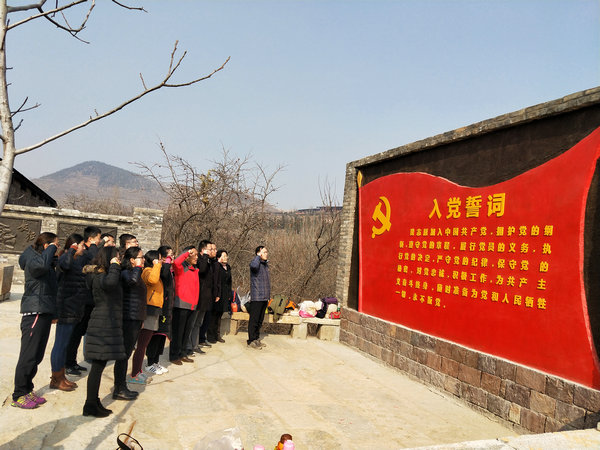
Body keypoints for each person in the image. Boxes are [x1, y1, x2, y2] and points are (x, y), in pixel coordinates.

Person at [11, 232, 59, 409]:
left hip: (44, 310)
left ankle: (27, 389)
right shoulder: (33, 260)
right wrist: (51, 249)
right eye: (55, 245)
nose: (57, 248)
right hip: (34, 312)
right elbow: (40, 268)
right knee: (28, 356)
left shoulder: (43, 260)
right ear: (46, 246)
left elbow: (52, 286)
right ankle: (18, 395)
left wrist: (53, 313)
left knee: (37, 355)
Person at [83, 246, 127, 417]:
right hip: (102, 323)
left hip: (106, 321)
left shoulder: (102, 274)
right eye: (116, 257)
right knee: (98, 365)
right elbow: (110, 284)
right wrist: (115, 266)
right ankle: (90, 404)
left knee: (99, 365)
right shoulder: (101, 276)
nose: (118, 260)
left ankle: (93, 401)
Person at [50, 233, 87, 392]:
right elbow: (64, 265)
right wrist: (71, 249)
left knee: (65, 345)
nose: (84, 248)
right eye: (82, 245)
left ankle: (61, 376)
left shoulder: (75, 260)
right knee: (60, 344)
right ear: (75, 245)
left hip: (74, 308)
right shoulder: (65, 257)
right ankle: (56, 378)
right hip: (66, 308)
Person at [65, 225, 101, 375]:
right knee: (73, 334)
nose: (100, 242)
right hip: (79, 301)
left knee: (78, 334)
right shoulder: (82, 254)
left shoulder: (87, 252)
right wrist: (93, 246)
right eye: (98, 238)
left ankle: (72, 362)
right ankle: (68, 364)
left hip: (87, 300)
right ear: (90, 239)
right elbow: (94, 259)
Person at [130, 250, 163, 379]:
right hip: (149, 309)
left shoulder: (154, 270)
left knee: (143, 345)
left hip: (154, 310)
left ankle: (137, 371)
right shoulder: (147, 271)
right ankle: (135, 373)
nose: (161, 261)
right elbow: (153, 280)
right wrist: (157, 265)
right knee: (142, 345)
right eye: (159, 259)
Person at [119, 246, 148, 386]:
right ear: (132, 260)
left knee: (128, 351)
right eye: (140, 257)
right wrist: (137, 267)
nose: (143, 260)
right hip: (129, 316)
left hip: (136, 316)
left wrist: (141, 318)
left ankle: (122, 383)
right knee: (124, 353)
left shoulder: (136, 273)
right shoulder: (126, 273)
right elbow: (133, 282)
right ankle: (120, 384)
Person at [145, 245, 174, 375]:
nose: (171, 258)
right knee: (155, 336)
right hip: (156, 308)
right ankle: (150, 363)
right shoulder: (155, 270)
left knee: (161, 335)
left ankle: (155, 362)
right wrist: (165, 263)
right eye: (168, 256)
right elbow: (161, 276)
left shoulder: (167, 268)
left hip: (166, 307)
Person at [169, 246, 199, 365]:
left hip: (192, 305)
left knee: (186, 332)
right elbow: (176, 262)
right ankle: (174, 355)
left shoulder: (194, 269)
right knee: (178, 332)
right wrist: (186, 253)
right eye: (194, 255)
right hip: (181, 305)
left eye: (197, 255)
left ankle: (182, 353)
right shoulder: (181, 268)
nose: (196, 257)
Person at [190, 240, 214, 353]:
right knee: (193, 323)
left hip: (205, 298)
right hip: (198, 297)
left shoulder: (208, 261)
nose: (211, 251)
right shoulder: (199, 260)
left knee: (198, 323)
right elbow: (202, 270)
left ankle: (195, 345)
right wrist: (204, 256)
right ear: (203, 250)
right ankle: (189, 345)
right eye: (210, 249)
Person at [248, 245, 270, 349]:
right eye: (264, 252)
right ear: (259, 253)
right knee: (254, 320)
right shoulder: (255, 263)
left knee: (260, 320)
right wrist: (258, 256)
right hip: (257, 297)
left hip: (264, 297)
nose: (266, 254)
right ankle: (251, 340)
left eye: (266, 252)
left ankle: (256, 338)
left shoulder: (265, 265)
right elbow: (253, 266)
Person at [208, 249, 231, 343]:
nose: (226, 257)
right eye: (223, 256)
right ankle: (210, 336)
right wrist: (217, 294)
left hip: (225, 294)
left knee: (219, 315)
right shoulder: (216, 266)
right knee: (214, 315)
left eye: (226, 256)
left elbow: (229, 282)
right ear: (218, 257)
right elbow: (216, 281)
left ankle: (217, 335)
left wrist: (229, 294)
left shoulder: (228, 267)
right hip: (217, 293)